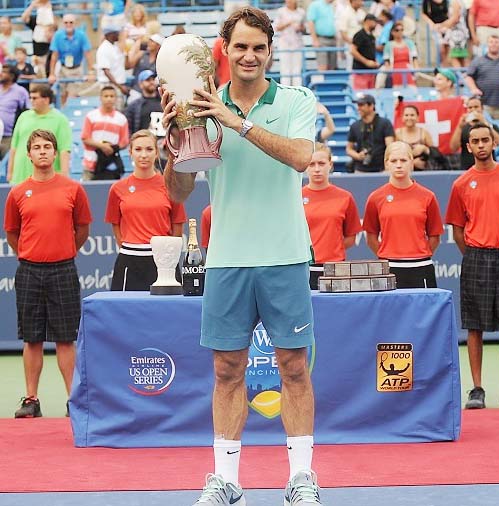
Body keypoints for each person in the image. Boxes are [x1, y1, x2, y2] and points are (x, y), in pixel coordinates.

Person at [161, 6, 322, 505]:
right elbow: (180, 191)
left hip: (284, 255)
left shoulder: (297, 99)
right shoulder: (200, 106)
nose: (249, 55)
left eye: (258, 47)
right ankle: (227, 481)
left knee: (293, 367)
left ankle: (301, 479)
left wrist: (237, 122)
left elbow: (300, 157)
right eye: (240, 47)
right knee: (227, 371)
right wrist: (177, 143)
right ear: (224, 52)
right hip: (226, 258)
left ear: (270, 51)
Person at [3, 128, 92, 418]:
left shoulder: (73, 189)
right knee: (32, 338)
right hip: (29, 271)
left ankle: (73, 401)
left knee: (66, 338)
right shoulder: (17, 192)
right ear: (28, 155)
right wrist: (32, 253)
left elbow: (82, 230)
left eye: (47, 146)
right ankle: (31, 400)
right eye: (37, 147)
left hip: (63, 270)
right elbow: (13, 233)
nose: (42, 151)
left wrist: (62, 250)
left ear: (56, 153)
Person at [445, 123, 499, 410]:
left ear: (494, 142)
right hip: (475, 258)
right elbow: (458, 231)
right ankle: (477, 389)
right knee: (474, 326)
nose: (481, 145)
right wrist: (474, 253)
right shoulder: (461, 184)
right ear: (468, 147)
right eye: (475, 141)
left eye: (486, 140)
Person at [105, 129, 185, 291]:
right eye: (138, 149)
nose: (143, 155)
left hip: (164, 264)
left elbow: (177, 225)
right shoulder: (118, 188)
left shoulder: (170, 186)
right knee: (125, 313)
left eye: (149, 149)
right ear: (130, 153)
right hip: (129, 260)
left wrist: (165, 252)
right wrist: (131, 245)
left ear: (156, 153)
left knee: (168, 313)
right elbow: (115, 224)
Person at [363, 141, 443, 288]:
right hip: (389, 268)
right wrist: (387, 255)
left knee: (423, 312)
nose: (399, 165)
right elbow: (371, 237)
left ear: (411, 162)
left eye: (403, 160)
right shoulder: (376, 198)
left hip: (421, 267)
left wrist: (419, 254)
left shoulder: (428, 196)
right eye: (394, 161)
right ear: (386, 164)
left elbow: (435, 237)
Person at [303, 143, 362, 289]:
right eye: (312, 164)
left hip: (336, 269)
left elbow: (351, 237)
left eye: (321, 163)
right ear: (305, 166)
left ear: (330, 164)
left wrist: (332, 249)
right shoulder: (295, 197)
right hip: (304, 269)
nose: (317, 169)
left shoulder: (345, 197)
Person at [7, 84, 71, 185]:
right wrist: (10, 172)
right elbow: (14, 147)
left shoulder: (60, 120)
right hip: (20, 177)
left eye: (35, 98)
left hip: (48, 179)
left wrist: (64, 175)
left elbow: (64, 150)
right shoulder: (23, 117)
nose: (31, 101)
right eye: (30, 98)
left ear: (46, 100)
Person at [81, 85, 130, 181]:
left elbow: (124, 142)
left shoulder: (121, 119)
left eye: (112, 96)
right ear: (100, 98)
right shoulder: (91, 116)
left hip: (110, 165)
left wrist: (112, 148)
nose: (109, 99)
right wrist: (102, 146)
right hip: (90, 164)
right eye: (106, 96)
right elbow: (85, 138)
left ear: (116, 98)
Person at [464, 35, 499, 120]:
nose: (494, 44)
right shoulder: (478, 61)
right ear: (487, 44)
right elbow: (468, 76)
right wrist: (473, 88)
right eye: (491, 42)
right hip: (483, 105)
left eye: (496, 42)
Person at [48, 14, 94, 106]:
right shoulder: (58, 35)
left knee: (72, 95)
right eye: (66, 22)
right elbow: (54, 56)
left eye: (71, 22)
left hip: (76, 69)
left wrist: (91, 72)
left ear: (75, 23)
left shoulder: (81, 35)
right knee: (61, 94)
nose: (68, 24)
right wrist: (52, 74)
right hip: (63, 68)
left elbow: (88, 54)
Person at [80, 27, 129, 109]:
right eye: (116, 33)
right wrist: (120, 87)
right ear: (110, 35)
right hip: (109, 85)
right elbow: (106, 71)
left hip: (117, 84)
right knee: (111, 110)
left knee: (118, 111)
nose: (118, 35)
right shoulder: (104, 49)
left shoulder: (114, 47)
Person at [449, 95, 499, 170]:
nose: (473, 110)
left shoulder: (491, 126)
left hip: (489, 168)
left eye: (476, 107)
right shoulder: (462, 128)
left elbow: (498, 142)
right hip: (467, 169)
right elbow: (453, 148)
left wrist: (484, 122)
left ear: (482, 109)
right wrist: (459, 127)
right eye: (470, 108)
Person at [346, 93, 395, 172]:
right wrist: (358, 156)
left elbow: (390, 147)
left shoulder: (385, 123)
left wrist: (388, 166)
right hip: (360, 169)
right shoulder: (355, 126)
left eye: (361, 105)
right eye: (358, 105)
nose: (358, 108)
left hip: (381, 169)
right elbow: (349, 149)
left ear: (371, 106)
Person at [0, 64, 30, 158]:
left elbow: (27, 111)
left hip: (9, 137)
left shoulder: (20, 91)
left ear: (12, 76)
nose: (0, 73)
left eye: (4, 72)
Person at [274, 0, 306, 86]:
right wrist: (288, 24)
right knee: (285, 69)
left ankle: (297, 90)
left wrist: (300, 28)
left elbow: (304, 28)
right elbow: (277, 27)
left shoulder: (301, 12)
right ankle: (285, 90)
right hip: (284, 44)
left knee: (297, 69)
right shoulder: (280, 11)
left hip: (297, 44)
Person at [21, 0, 55, 78]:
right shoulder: (35, 22)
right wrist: (32, 6)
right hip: (37, 55)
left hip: (48, 56)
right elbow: (24, 18)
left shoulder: (52, 26)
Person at [394, 104, 434, 171]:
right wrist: (412, 163)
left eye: (412, 115)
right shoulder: (397, 134)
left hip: (423, 171)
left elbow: (433, 152)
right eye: (406, 115)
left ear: (418, 117)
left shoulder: (424, 133)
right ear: (402, 117)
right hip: (402, 170)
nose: (409, 118)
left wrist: (424, 148)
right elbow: (393, 154)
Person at [124, 69, 162, 134]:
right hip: (144, 141)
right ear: (140, 84)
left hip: (164, 141)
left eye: (153, 79)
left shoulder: (163, 102)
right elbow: (128, 129)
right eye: (148, 80)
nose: (151, 82)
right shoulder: (133, 106)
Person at [382, 21, 419, 88]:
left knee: (411, 89)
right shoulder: (388, 45)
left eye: (402, 30)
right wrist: (389, 72)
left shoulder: (409, 43)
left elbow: (414, 58)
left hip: (408, 70)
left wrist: (416, 71)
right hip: (395, 71)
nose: (400, 32)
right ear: (392, 32)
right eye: (397, 30)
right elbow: (386, 61)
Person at [350, 14, 380, 90]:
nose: (376, 24)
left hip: (371, 71)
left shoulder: (371, 36)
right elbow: (353, 51)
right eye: (374, 22)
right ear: (368, 21)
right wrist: (366, 62)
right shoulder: (360, 35)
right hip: (361, 71)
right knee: (361, 94)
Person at [307, 0, 338, 71]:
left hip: (333, 39)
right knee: (323, 66)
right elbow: (311, 22)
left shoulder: (335, 6)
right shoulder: (315, 5)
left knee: (333, 67)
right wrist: (315, 40)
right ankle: (321, 81)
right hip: (321, 39)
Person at [337, 0, 367, 70]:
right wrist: (355, 43)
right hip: (351, 45)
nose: (361, 2)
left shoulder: (362, 13)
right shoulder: (345, 13)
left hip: (363, 46)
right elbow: (343, 33)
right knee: (351, 67)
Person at [421, 0, 450, 66]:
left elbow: (447, 12)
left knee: (447, 50)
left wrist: (447, 24)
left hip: (446, 26)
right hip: (435, 26)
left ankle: (446, 68)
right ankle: (443, 68)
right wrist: (432, 24)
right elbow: (424, 14)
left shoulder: (445, 1)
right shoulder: (427, 1)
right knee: (441, 50)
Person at [445, 0, 470, 68]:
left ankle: (460, 78)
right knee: (461, 58)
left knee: (453, 58)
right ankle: (463, 77)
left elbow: (455, 19)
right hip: (460, 32)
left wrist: (441, 25)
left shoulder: (455, 2)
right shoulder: (460, 2)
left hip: (457, 33)